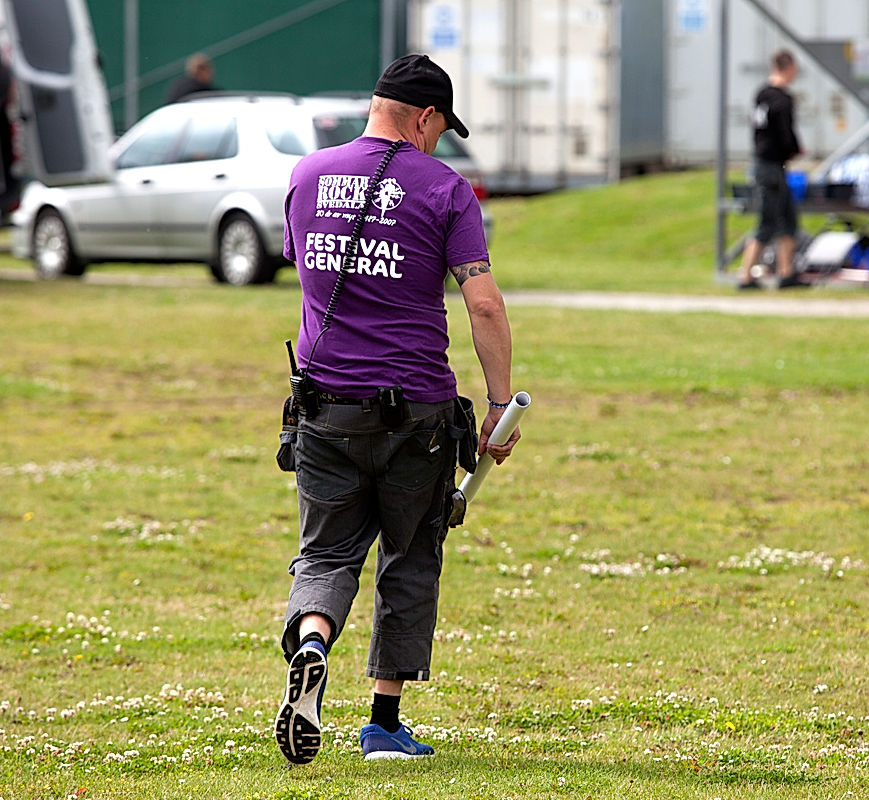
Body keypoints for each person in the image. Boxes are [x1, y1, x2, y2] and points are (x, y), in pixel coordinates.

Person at [273, 53, 520, 765]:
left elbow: (305, 266)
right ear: (424, 116)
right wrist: (499, 404)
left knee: (327, 553)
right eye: (441, 129)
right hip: (417, 413)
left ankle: (313, 643)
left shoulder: (307, 176)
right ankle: (383, 725)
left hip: (324, 407)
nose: (439, 143)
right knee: (409, 555)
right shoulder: (445, 190)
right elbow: (483, 303)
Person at [737, 49, 806, 290]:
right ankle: (745, 275)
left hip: (764, 163)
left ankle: (786, 273)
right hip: (772, 166)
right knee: (767, 222)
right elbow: (785, 133)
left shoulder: (761, 94)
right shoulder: (782, 99)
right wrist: (794, 149)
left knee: (788, 220)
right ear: (789, 67)